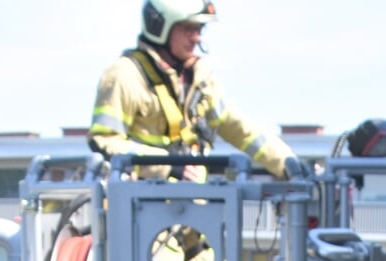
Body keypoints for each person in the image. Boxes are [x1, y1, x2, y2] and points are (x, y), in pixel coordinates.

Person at [89, 1, 300, 183]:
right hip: (141, 213)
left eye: (199, 29)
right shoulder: (123, 75)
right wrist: (168, 166)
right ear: (159, 25)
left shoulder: (201, 80)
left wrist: (288, 163)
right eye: (188, 28)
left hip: (193, 213)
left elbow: (240, 128)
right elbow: (105, 142)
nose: (196, 38)